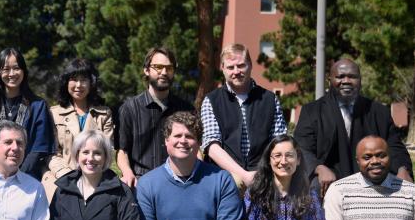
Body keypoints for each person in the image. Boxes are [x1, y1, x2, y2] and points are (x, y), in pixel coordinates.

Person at [295, 59, 412, 197]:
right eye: (340, 77)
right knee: (315, 184)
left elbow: (394, 145)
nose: (346, 81)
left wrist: (402, 168)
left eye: (352, 77)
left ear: (360, 80)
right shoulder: (312, 111)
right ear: (330, 80)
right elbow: (302, 147)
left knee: (402, 183)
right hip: (331, 175)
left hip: (373, 174)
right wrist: (318, 167)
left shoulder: (379, 112)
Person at [200, 43, 287, 188]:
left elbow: (279, 142)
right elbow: (211, 145)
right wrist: (244, 175)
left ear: (250, 65)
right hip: (223, 179)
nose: (236, 71)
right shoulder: (212, 100)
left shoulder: (270, 99)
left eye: (241, 65)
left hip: (265, 177)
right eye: (230, 67)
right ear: (222, 69)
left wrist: (265, 174)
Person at [0, 47, 56, 181]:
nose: (11, 73)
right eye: (6, 69)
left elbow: (39, 148)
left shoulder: (38, 106)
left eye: (16, 68)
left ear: (24, 71)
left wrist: (19, 175)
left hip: (28, 174)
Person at [116, 46, 194, 188]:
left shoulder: (186, 109)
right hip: (142, 183)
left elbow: (195, 149)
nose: (164, 72)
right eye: (158, 67)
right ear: (146, 70)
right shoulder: (129, 108)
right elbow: (122, 151)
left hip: (179, 183)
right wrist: (127, 173)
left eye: (169, 68)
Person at [41, 58, 113, 200]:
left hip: (95, 177)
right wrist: (67, 175)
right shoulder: (54, 113)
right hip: (60, 178)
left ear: (91, 83)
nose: (79, 85)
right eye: (74, 79)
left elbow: (107, 150)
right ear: (66, 82)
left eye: (84, 80)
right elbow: (50, 152)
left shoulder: (104, 114)